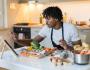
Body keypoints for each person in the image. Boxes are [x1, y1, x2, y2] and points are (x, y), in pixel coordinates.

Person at [13, 6, 82, 51]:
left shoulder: (70, 28)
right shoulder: (47, 28)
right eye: (45, 19)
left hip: (71, 57)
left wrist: (67, 46)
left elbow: (79, 48)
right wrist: (18, 40)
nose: (46, 22)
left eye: (48, 19)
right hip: (57, 57)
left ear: (56, 18)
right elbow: (34, 42)